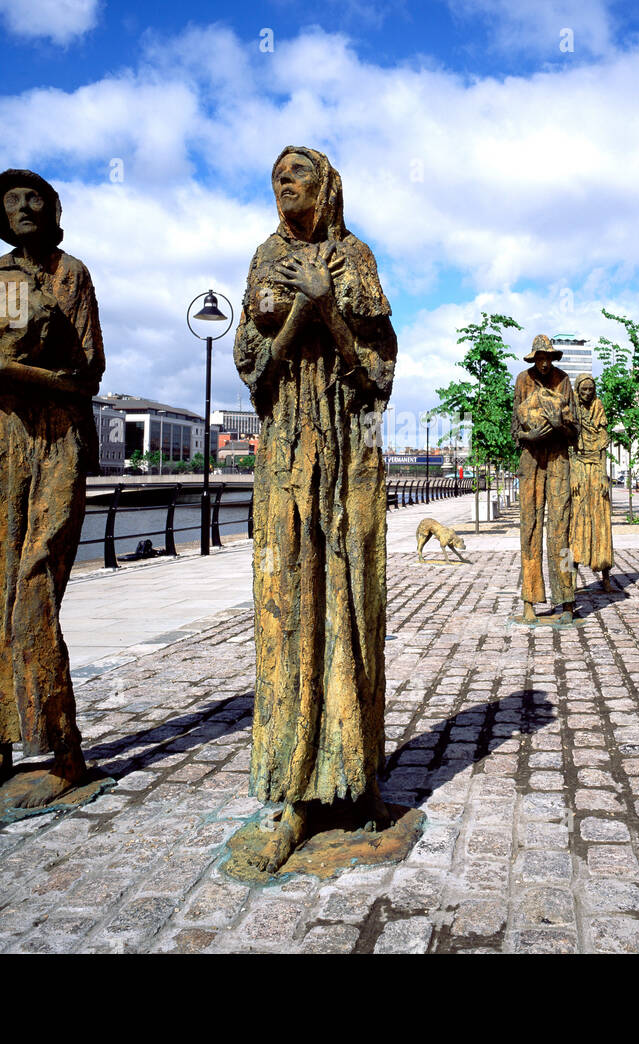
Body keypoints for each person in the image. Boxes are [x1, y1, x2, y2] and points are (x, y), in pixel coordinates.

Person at [232, 146, 398, 874]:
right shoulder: (265, 257)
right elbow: (256, 371)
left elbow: (378, 374)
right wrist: (296, 310)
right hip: (286, 449)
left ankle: (354, 775)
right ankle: (297, 790)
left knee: (350, 599)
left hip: (350, 448)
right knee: (288, 607)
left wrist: (328, 306)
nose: (284, 184)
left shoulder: (353, 257)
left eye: (297, 173)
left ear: (326, 185)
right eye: (276, 176)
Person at [0, 169, 104, 807]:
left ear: (53, 207)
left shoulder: (73, 276)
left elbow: (85, 376)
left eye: (34, 195)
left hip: (61, 437)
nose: (24, 206)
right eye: (10, 200)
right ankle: (0, 745)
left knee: (35, 585)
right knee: (1, 588)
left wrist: (11, 368)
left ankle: (65, 751)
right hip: (9, 440)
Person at [513, 335, 580, 623]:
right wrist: (528, 435)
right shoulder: (522, 380)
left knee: (560, 527)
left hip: (558, 458)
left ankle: (566, 601)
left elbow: (575, 432)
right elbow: (515, 429)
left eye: (547, 358)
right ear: (533, 358)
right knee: (529, 526)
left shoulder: (564, 380)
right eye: (539, 358)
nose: (543, 362)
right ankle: (529, 601)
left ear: (552, 359)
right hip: (531, 458)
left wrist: (559, 425)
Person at [569, 373, 614, 591]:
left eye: (590, 389)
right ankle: (572, 578)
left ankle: (606, 576)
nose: (587, 393)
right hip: (578, 466)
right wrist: (573, 474)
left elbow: (603, 446)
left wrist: (605, 475)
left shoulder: (599, 407)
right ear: (578, 389)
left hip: (596, 468)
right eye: (583, 389)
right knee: (577, 522)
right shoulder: (572, 409)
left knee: (601, 522)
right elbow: (569, 447)